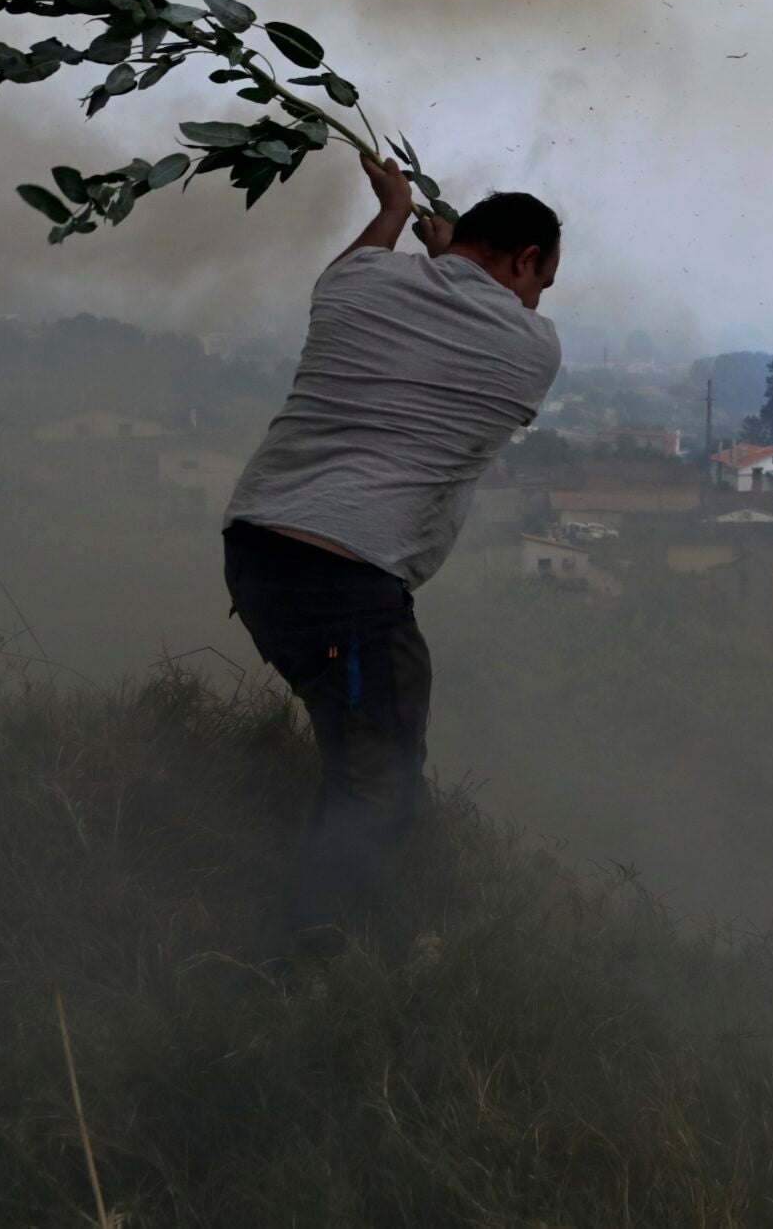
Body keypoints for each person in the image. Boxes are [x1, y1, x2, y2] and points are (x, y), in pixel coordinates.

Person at [222, 151, 563, 953]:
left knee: (356, 758)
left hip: (255, 550)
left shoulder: (356, 285)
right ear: (524, 259)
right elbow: (468, 318)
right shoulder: (533, 348)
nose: (538, 298)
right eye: (540, 279)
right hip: (344, 583)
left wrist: (391, 206)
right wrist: (448, 255)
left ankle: (321, 926)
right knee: (379, 789)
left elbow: (362, 270)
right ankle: (302, 973)